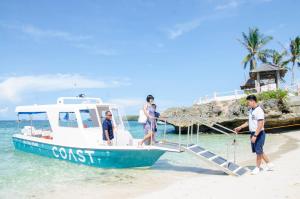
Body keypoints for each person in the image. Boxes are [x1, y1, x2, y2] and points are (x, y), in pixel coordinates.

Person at [234, 95, 274, 175]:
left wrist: (255, 135)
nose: (247, 104)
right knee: (258, 150)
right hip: (253, 133)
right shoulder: (251, 110)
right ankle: (270, 164)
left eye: (248, 102)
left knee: (258, 151)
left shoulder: (259, 110)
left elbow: (260, 124)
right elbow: (249, 122)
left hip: (259, 133)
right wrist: (240, 127)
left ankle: (257, 168)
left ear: (253, 101)